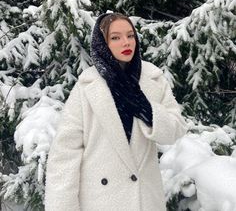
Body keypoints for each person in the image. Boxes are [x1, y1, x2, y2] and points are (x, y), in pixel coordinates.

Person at [45, 12, 187, 211]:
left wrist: (146, 110)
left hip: (145, 201)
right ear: (103, 43)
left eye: (130, 35)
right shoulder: (87, 86)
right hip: (103, 201)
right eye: (115, 37)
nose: (126, 42)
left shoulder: (153, 78)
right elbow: (65, 156)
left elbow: (176, 129)